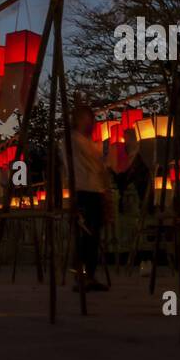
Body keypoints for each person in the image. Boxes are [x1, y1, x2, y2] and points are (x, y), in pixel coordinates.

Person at [64, 103, 109, 292]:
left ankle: (90, 275)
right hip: (83, 190)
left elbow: (100, 165)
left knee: (94, 234)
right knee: (85, 233)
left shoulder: (89, 142)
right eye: (85, 118)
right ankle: (81, 276)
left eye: (91, 118)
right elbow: (94, 162)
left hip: (95, 190)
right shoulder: (72, 140)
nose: (90, 121)